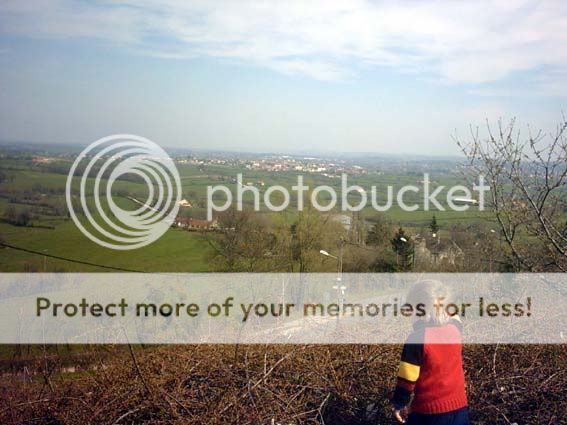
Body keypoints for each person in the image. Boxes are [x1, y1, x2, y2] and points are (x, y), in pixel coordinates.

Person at [390, 280, 469, 425]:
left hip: (428, 413)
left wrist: (399, 404)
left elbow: (407, 380)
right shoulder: (455, 330)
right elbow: (455, 316)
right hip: (459, 410)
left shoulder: (417, 339)